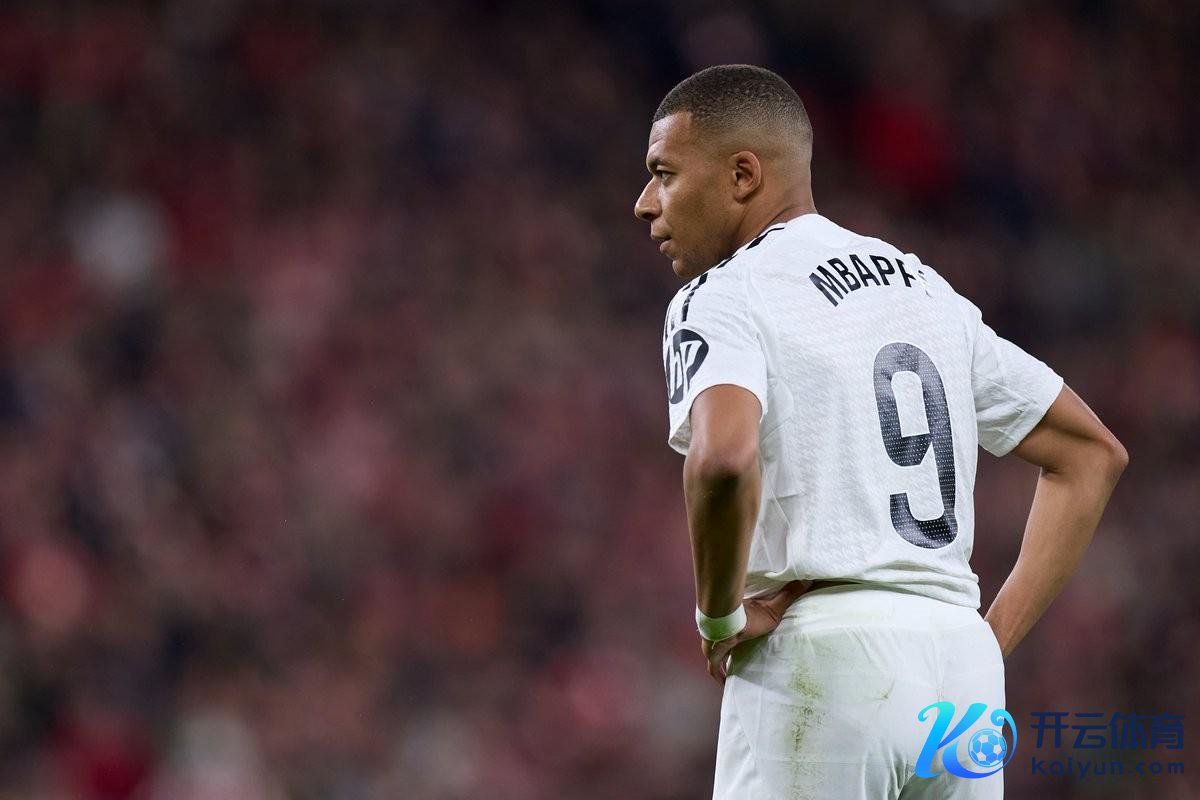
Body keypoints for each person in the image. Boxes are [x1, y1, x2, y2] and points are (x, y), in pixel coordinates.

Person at [635, 65, 1127, 799]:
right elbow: (1091, 454)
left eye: (664, 174)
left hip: (824, 658)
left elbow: (723, 461)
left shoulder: (723, 293)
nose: (645, 203)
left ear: (742, 176)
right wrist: (988, 643)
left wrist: (719, 617)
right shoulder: (926, 290)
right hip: (960, 672)